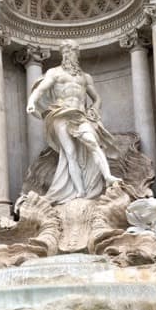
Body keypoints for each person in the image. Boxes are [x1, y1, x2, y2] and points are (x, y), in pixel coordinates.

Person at [26, 41, 121, 203]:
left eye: (73, 52)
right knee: (70, 153)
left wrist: (95, 108)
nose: (70, 55)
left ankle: (108, 176)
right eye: (67, 52)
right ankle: (80, 192)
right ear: (63, 54)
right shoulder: (54, 73)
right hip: (60, 114)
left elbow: (97, 98)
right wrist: (31, 102)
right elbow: (40, 89)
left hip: (80, 115)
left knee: (93, 142)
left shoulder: (85, 77)